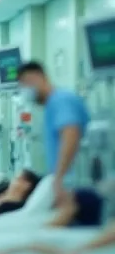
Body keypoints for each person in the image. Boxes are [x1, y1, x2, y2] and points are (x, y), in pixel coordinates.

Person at [17, 61, 90, 204]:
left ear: (38, 77)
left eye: (26, 83)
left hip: (72, 185)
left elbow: (71, 136)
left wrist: (59, 178)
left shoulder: (62, 100)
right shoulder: (51, 106)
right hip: (64, 184)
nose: (24, 89)